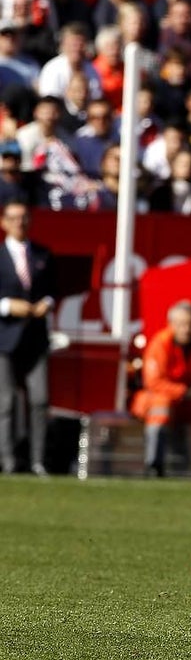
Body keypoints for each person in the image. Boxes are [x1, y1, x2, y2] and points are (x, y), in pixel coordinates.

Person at [130, 301, 191, 476]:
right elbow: (154, 382)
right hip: (161, 399)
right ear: (172, 325)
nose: (187, 329)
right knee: (161, 407)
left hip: (190, 402)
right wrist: (185, 392)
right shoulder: (160, 344)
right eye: (182, 324)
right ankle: (154, 465)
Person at [0, 199, 54, 475]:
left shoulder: (42, 255)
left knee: (39, 400)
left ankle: (38, 460)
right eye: (13, 217)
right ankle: (8, 460)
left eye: (24, 217)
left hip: (35, 337)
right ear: (4, 222)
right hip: (5, 337)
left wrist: (47, 302)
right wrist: (8, 306)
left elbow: (52, 289)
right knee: (6, 402)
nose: (19, 223)